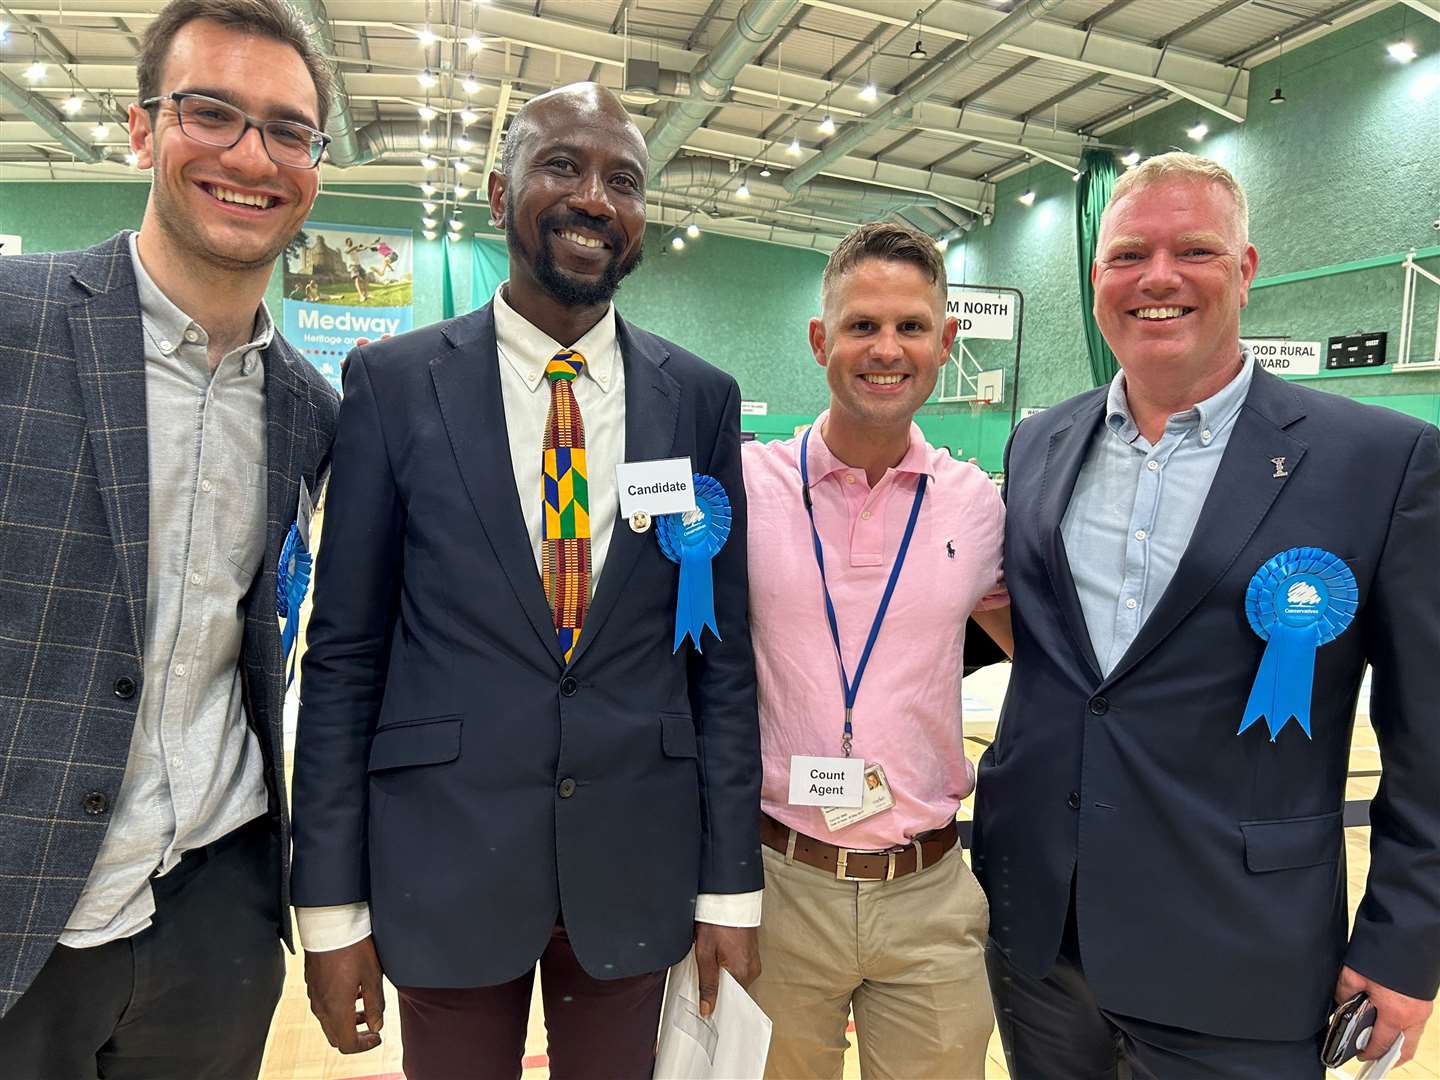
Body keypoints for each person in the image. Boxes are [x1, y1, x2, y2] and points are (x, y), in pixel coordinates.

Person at [290, 82, 762, 1078]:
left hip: (637, 864)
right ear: (500, 193)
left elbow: (720, 665)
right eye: (563, 165)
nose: (595, 197)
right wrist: (331, 910)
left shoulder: (701, 401)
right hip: (445, 859)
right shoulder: (394, 385)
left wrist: (730, 892)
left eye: (624, 180)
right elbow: (344, 658)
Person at [973, 151, 1439, 1077]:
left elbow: (1429, 732)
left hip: (1243, 949)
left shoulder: (1382, 461)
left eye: (1194, 250)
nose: (1158, 278)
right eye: (1127, 255)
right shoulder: (1038, 443)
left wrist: (1401, 942)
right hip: (1041, 939)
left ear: (1246, 269)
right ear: (1097, 277)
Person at [0, 1, 340, 1076]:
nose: (253, 155)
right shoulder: (17, 323)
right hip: (25, 906)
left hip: (214, 917)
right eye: (213, 113)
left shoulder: (309, 410)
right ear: (143, 130)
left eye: (289, 130)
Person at [743, 221, 1011, 1078]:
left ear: (945, 342)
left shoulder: (980, 509)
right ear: (821, 340)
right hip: (777, 881)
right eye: (862, 326)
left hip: (929, 890)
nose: (885, 349)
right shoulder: (746, 489)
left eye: (910, 327)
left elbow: (1058, 660)